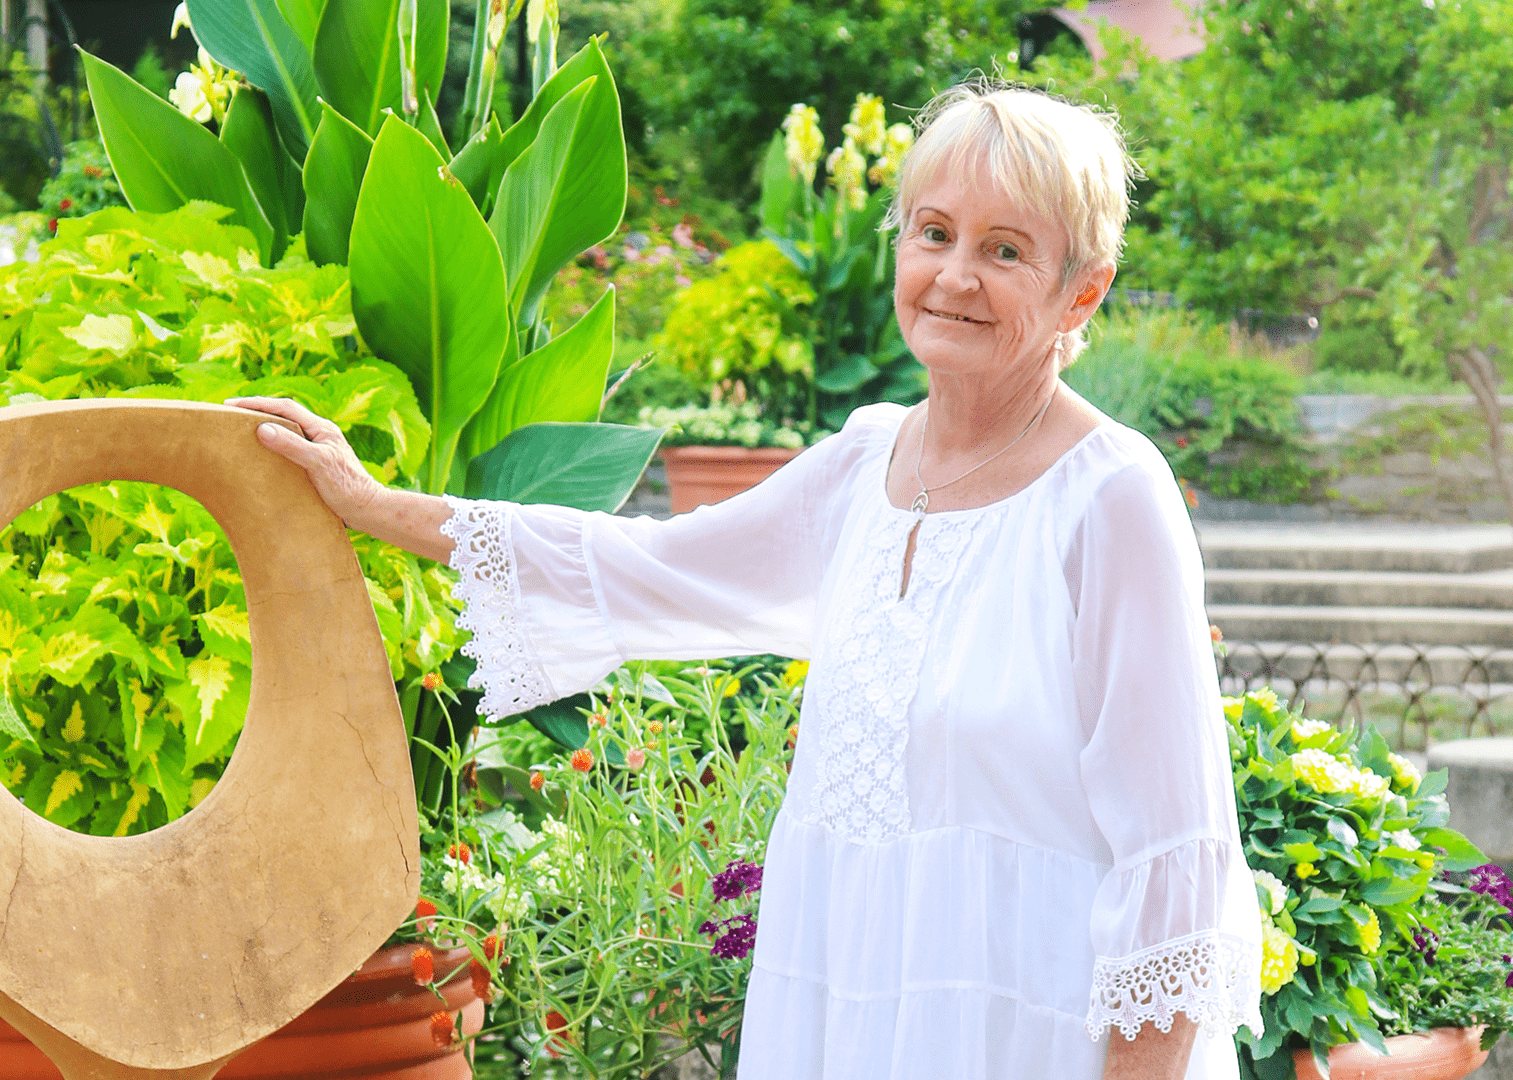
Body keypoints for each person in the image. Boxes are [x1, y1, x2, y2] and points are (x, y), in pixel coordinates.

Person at [233, 81, 1261, 1080]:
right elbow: (648, 566)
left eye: (1005, 250)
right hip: (839, 1011)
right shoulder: (862, 464)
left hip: (1027, 1033)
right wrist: (377, 506)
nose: (955, 276)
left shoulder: (1110, 497)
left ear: (1083, 289)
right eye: (934, 233)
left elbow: (1178, 862)